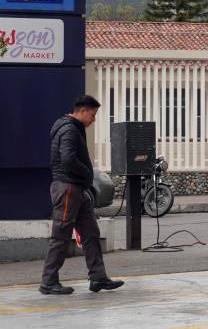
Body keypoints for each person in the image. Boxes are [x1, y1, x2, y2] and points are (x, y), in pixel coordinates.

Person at [40, 95, 124, 295]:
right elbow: (68, 159)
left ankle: (98, 277)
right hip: (68, 188)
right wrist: (87, 173)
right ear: (83, 111)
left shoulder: (73, 128)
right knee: (61, 235)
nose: (93, 120)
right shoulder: (69, 129)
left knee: (91, 233)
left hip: (79, 189)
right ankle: (48, 282)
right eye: (93, 115)